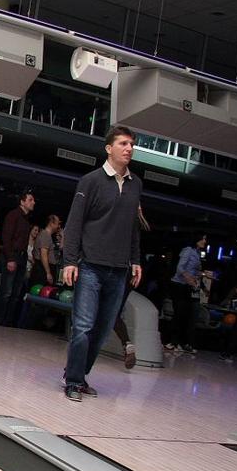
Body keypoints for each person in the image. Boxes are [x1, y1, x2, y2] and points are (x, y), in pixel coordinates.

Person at [60, 125, 143, 402]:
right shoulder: (91, 181)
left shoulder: (135, 184)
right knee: (83, 326)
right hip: (90, 266)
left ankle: (78, 374)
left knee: (104, 329)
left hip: (119, 269)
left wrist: (135, 260)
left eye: (131, 144)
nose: (129, 148)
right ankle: (73, 381)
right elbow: (74, 223)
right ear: (109, 148)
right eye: (123, 143)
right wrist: (70, 261)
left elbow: (133, 227)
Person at [112, 206, 151, 369]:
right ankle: (127, 344)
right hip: (131, 272)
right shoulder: (140, 225)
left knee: (107, 311)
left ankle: (126, 344)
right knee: (114, 313)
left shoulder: (124, 221)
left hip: (118, 269)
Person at [0, 189, 35, 326]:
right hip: (12, 255)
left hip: (21, 256)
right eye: (30, 200)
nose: (33, 202)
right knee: (7, 291)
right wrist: (10, 258)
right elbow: (6, 237)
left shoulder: (26, 219)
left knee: (16, 293)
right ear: (22, 202)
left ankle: (8, 321)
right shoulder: (13, 215)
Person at [164, 233, 208, 354]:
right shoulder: (188, 250)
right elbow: (180, 268)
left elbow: (194, 271)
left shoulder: (197, 253)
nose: (205, 241)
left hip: (187, 286)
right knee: (179, 313)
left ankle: (179, 342)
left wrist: (202, 275)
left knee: (185, 314)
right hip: (179, 285)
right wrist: (188, 277)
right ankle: (171, 342)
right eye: (203, 239)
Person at [30, 215, 61, 287]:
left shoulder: (47, 235)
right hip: (42, 270)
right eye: (57, 223)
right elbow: (43, 255)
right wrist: (48, 273)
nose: (59, 226)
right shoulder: (45, 235)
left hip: (42, 268)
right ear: (51, 223)